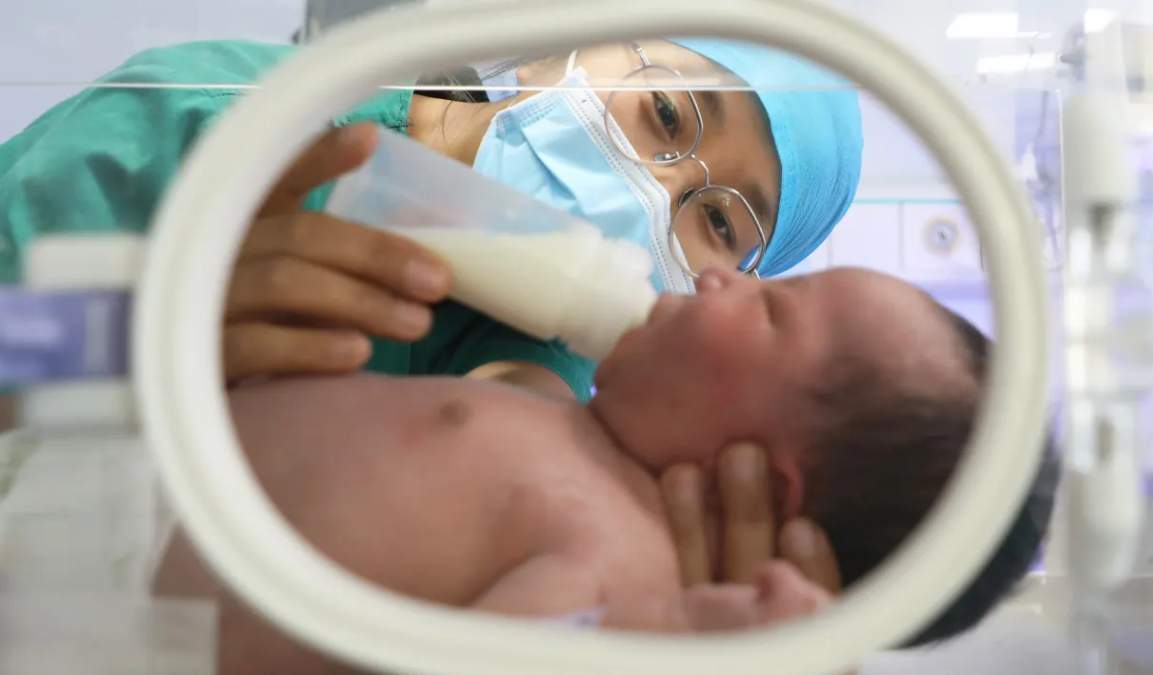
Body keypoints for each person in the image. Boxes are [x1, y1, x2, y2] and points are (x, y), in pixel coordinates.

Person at [0, 37, 863, 611]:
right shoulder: (223, 118)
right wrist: (120, 336)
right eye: (667, 115)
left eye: (716, 222)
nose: (649, 188)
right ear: (569, 36)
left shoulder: (560, 395)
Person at [155, 266, 1058, 674]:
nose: (722, 278)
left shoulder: (624, 570)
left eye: (774, 309)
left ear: (770, 481)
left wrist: (674, 643)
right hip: (107, 473)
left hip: (107, 599)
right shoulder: (568, 416)